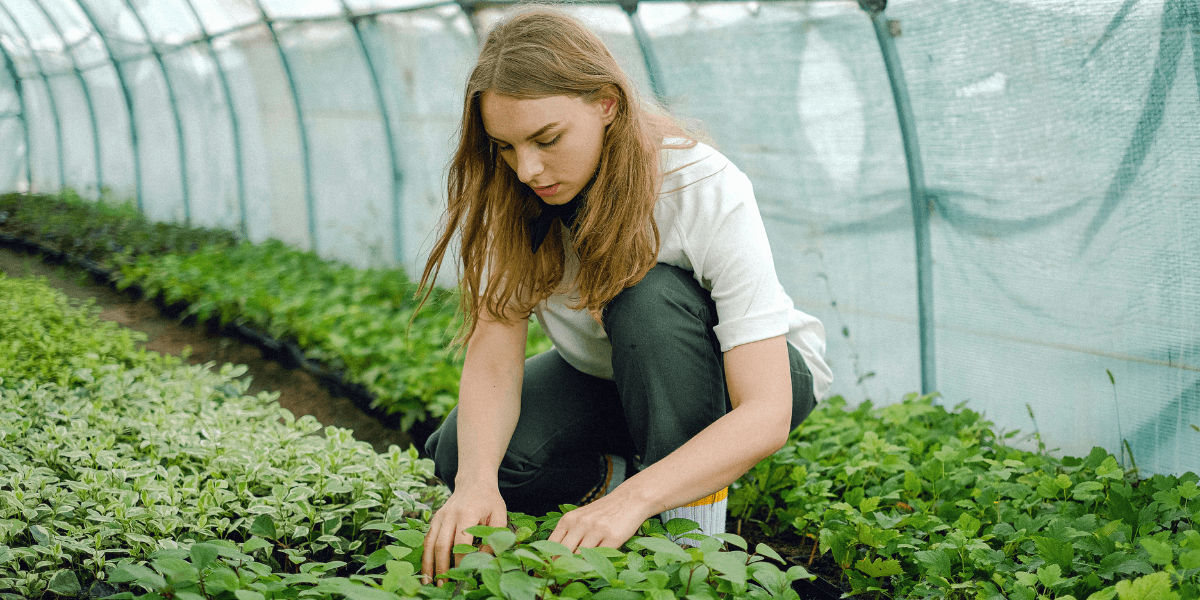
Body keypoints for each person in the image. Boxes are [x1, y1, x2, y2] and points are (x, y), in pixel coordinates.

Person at [417, 7, 832, 583]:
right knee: (461, 456)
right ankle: (627, 473)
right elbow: (493, 352)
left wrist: (633, 505)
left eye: (547, 138)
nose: (528, 169)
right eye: (506, 147)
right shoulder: (509, 195)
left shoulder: (700, 184)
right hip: (611, 377)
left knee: (647, 295)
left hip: (742, 383)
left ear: (606, 103)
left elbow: (767, 411)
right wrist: (475, 488)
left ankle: (691, 539)